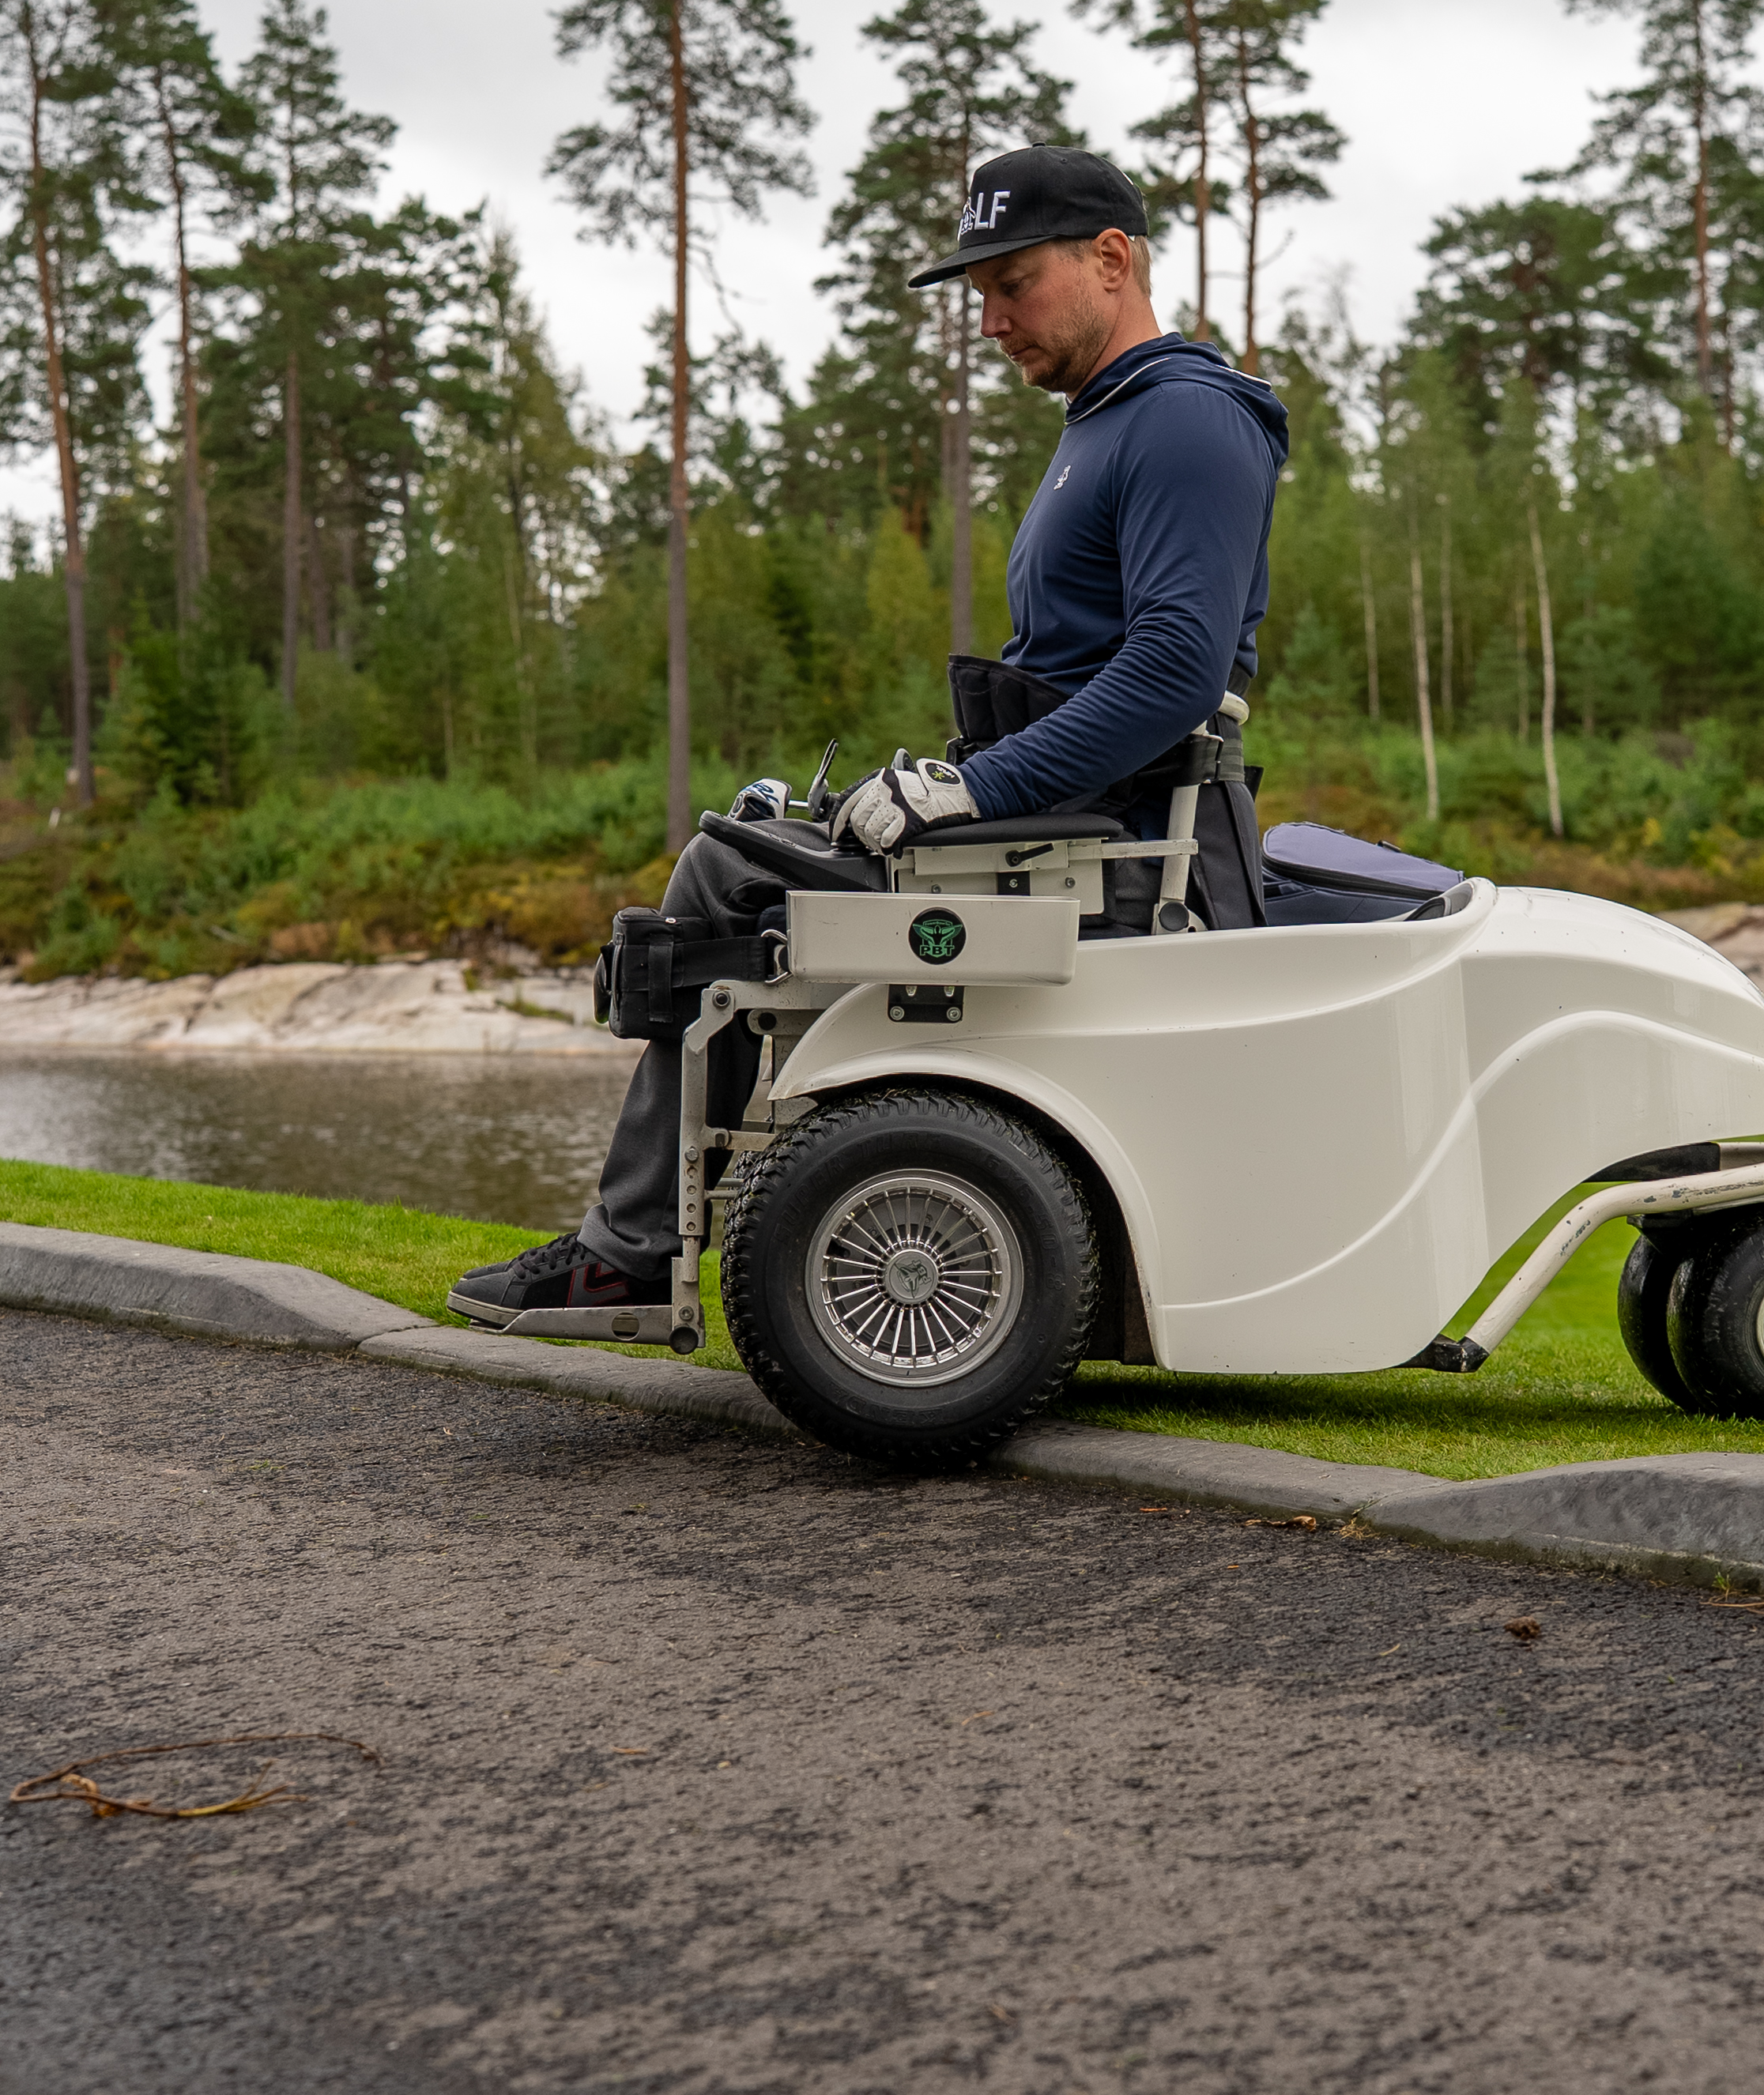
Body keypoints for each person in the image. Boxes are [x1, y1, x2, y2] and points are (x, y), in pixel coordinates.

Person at [449, 144, 1288, 1326]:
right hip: (1059, 830)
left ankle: (635, 1251)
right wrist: (955, 784)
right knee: (753, 840)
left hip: (1123, 856)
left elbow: (1172, 672)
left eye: (1013, 285)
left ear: (1112, 259)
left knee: (733, 876)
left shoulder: (1188, 422)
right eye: (980, 296)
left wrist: (974, 791)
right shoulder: (1105, 421)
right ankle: (662, 1234)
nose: (991, 320)